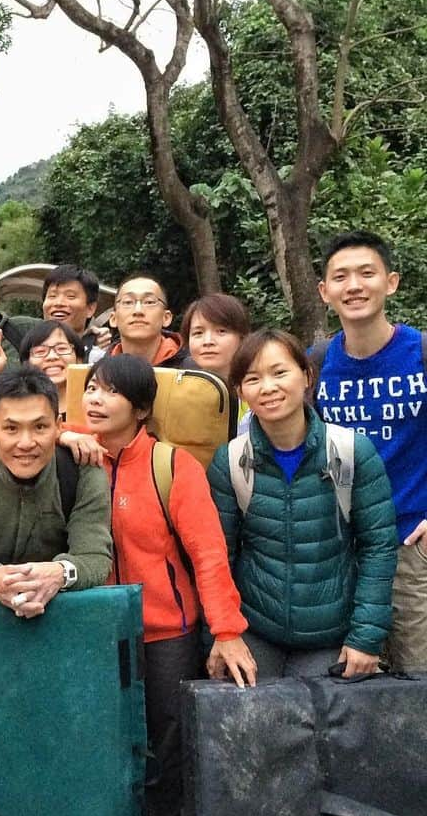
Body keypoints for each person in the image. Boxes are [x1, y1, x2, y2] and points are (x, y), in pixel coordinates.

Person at [79, 353, 254, 816]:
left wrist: (226, 631)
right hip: (89, 628)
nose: (94, 399)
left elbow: (207, 553)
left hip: (164, 629)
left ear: (140, 408)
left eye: (109, 391)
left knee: (165, 735)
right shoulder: (72, 458)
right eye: (90, 387)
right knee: (96, 733)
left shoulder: (172, 465)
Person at [207, 330, 397, 681]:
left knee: (322, 728)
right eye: (253, 379)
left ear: (307, 376)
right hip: (255, 629)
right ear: (240, 391)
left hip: (331, 634)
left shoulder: (353, 452)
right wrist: (222, 634)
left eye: (279, 373)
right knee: (252, 726)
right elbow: (218, 556)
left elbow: (379, 548)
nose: (267, 387)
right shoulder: (231, 461)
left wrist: (366, 637)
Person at [313, 230, 427, 672]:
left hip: (412, 549)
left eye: (367, 273)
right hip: (344, 550)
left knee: (417, 682)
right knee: (356, 691)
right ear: (325, 292)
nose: (354, 286)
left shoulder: (420, 352)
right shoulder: (316, 365)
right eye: (340, 277)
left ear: (391, 282)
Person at [0, 367, 112, 612]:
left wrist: (59, 573)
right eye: (11, 429)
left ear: (59, 426)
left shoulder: (83, 469)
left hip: (58, 616)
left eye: (40, 427)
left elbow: (95, 557)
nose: (26, 443)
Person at [184, 292, 253, 434]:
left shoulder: (257, 392)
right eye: (198, 333)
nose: (208, 341)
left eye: (221, 331)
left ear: (242, 337)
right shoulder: (179, 391)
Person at [108, 273, 189, 367]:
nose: (138, 310)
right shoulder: (98, 374)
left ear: (166, 317)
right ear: (113, 319)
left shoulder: (193, 372)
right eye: (128, 302)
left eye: (149, 302)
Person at [39, 263, 111, 362]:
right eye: (52, 296)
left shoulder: (100, 360)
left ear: (90, 308)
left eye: (70, 296)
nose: (58, 303)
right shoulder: (29, 353)